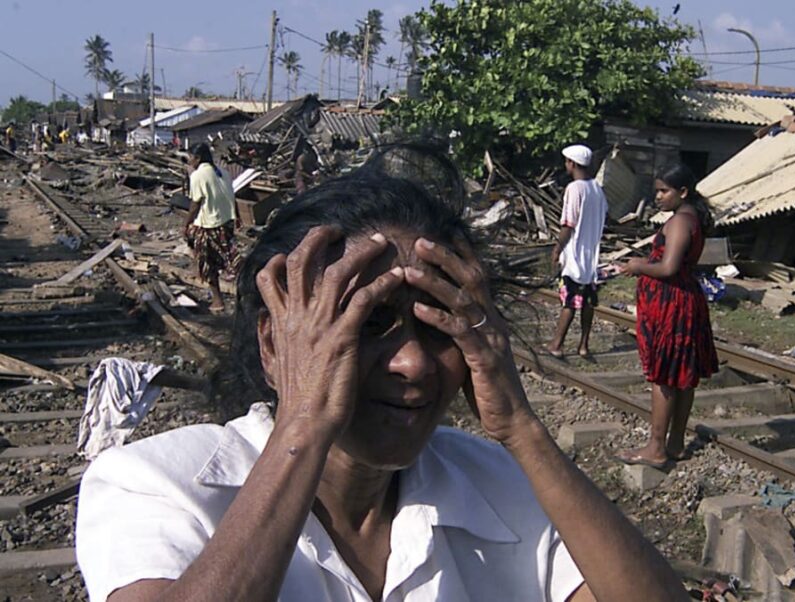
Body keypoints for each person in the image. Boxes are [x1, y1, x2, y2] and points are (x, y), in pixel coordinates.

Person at [75, 144, 687, 602]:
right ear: (274, 344)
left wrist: (523, 429)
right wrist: (306, 424)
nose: (415, 362)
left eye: (439, 324)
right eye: (366, 325)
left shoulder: (500, 484)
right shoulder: (157, 485)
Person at [615, 164, 718, 468]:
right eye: (657, 190)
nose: (657, 197)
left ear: (682, 192)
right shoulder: (692, 219)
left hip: (671, 303)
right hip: (685, 299)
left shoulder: (678, 223)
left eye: (664, 191)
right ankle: (674, 443)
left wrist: (638, 266)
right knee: (684, 375)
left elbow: (668, 268)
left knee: (664, 376)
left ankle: (655, 447)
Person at [546, 144, 607, 359]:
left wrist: (557, 248)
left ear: (571, 163)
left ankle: (557, 344)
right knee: (588, 301)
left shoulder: (574, 189)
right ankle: (583, 345)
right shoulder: (597, 189)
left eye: (566, 162)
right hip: (591, 255)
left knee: (569, 301)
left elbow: (568, 224)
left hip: (574, 255)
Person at [183, 143, 240, 313]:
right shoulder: (224, 173)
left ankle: (217, 300)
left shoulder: (198, 175)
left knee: (207, 264)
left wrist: (186, 223)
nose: (189, 161)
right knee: (228, 258)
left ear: (198, 158)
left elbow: (195, 204)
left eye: (190, 158)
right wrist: (237, 216)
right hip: (226, 223)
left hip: (209, 226)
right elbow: (232, 196)